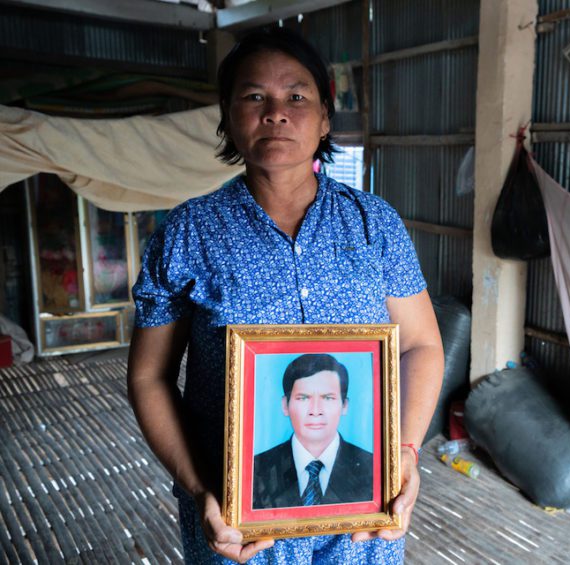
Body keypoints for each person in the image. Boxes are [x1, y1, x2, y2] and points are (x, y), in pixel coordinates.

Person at [127, 26, 444, 564]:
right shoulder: (187, 234)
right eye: (255, 97)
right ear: (227, 114)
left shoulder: (375, 224)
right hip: (235, 524)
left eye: (297, 96)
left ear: (325, 117)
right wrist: (199, 487)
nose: (276, 112)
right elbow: (149, 375)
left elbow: (421, 345)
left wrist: (406, 452)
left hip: (361, 522)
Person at [252, 354, 373, 510]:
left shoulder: (373, 468)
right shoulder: (255, 469)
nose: (315, 411)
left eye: (328, 398)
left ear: (344, 405)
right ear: (285, 405)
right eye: (303, 398)